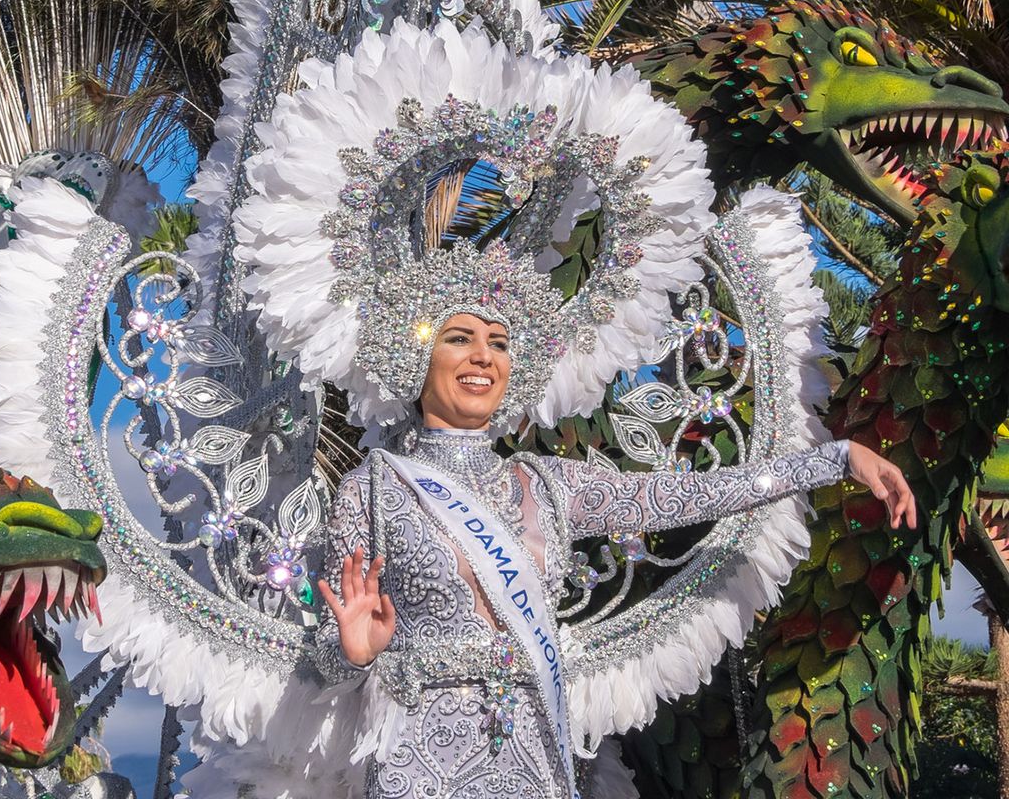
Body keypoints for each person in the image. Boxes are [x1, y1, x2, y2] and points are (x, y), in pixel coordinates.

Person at [315, 311, 914, 799]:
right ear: (417, 360)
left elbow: (686, 495)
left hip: (537, 752)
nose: (483, 356)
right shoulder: (371, 488)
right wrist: (356, 656)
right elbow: (326, 656)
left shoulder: (544, 484)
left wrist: (834, 460)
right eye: (459, 339)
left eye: (497, 343)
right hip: (420, 760)